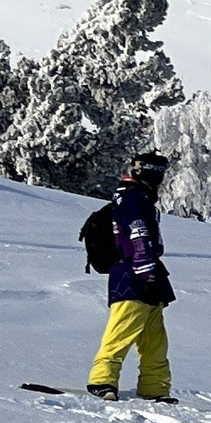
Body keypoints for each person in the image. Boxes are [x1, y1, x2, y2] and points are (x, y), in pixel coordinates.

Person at [88, 150, 176, 400]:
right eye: (156, 172)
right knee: (122, 331)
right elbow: (137, 234)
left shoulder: (139, 197)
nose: (160, 178)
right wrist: (145, 272)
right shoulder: (132, 198)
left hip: (146, 273)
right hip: (133, 273)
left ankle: (154, 388)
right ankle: (102, 380)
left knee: (154, 339)